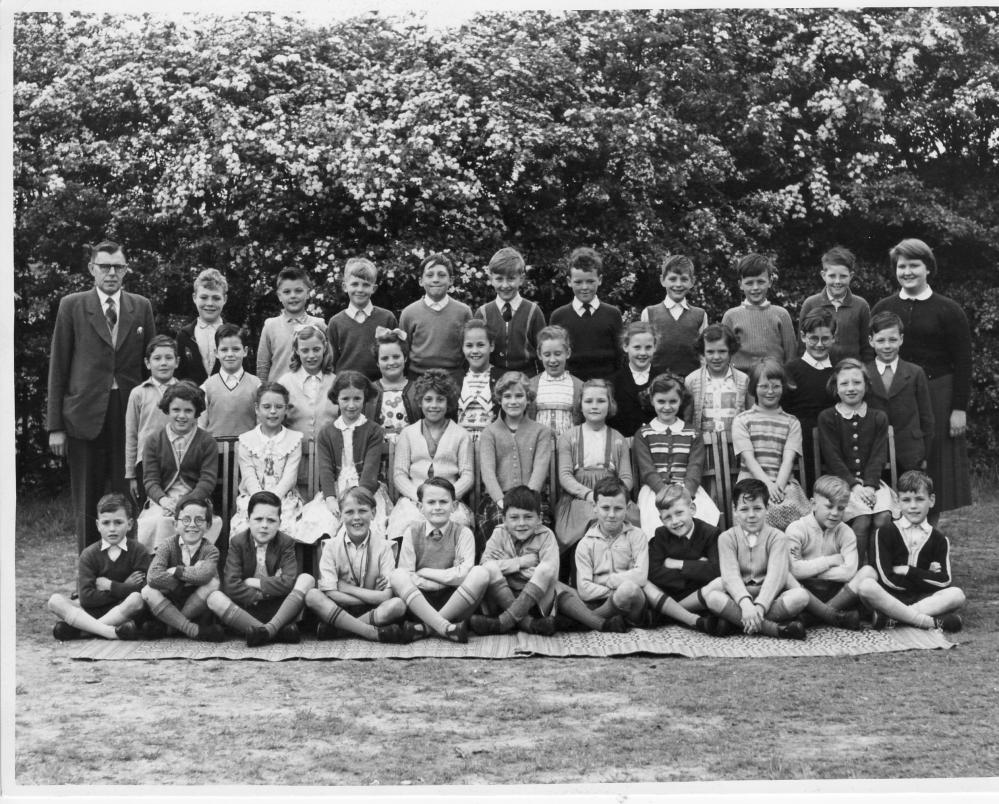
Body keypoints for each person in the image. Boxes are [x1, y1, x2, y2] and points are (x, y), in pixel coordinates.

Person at [47, 240, 156, 552]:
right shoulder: (72, 305)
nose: (111, 273)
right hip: (83, 414)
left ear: (126, 270)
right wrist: (56, 425)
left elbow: (153, 364)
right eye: (105, 266)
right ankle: (88, 572)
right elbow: (59, 366)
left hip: (129, 414)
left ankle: (130, 568)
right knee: (87, 496)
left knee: (130, 493)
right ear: (92, 269)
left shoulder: (141, 306)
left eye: (118, 267)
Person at [871, 238, 972, 522]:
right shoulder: (884, 307)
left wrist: (959, 409)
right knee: (894, 460)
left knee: (932, 468)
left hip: (938, 394)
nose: (907, 271)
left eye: (914, 265)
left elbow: (963, 362)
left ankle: (927, 538)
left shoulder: (949, 309)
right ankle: (893, 536)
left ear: (928, 268)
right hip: (894, 395)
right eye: (901, 266)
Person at [844, 471, 964, 632]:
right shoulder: (885, 532)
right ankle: (929, 621)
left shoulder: (939, 540)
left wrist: (908, 570)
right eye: (906, 500)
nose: (913, 506)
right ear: (898, 503)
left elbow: (943, 580)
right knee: (866, 586)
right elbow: (886, 577)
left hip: (921, 598)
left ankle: (892, 618)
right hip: (888, 596)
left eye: (920, 499)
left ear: (932, 500)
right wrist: (925, 575)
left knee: (957, 595)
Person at [702, 478, 808, 639]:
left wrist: (759, 607)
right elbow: (730, 575)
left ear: (767, 508)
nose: (751, 515)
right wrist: (745, 604)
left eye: (757, 508)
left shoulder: (777, 537)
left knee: (801, 597)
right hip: (739, 595)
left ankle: (734, 622)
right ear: (735, 510)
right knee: (712, 597)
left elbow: (775, 576)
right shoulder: (726, 538)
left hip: (769, 594)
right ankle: (775, 628)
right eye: (744, 509)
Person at [304, 487, 413, 643]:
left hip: (372, 611)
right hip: (339, 607)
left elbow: (386, 596)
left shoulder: (383, 547)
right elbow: (330, 594)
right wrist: (373, 596)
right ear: (340, 516)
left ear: (373, 513)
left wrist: (347, 588)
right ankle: (369, 631)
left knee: (398, 605)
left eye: (362, 511)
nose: (356, 517)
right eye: (349, 512)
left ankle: (339, 630)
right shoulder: (331, 547)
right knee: (312, 596)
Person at [388, 478, 491, 643]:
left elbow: (463, 575)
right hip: (420, 602)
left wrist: (426, 572)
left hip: (455, 601)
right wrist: (440, 581)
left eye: (443, 502)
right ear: (420, 507)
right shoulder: (412, 532)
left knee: (481, 573)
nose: (437, 507)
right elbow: (407, 573)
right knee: (397, 575)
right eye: (431, 502)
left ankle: (426, 629)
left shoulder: (463, 533)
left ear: (454, 506)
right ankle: (445, 628)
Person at [207, 491, 316, 647]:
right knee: (214, 598)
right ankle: (276, 632)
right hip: (247, 608)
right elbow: (231, 586)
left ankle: (264, 632)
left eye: (271, 520)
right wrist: (263, 594)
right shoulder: (238, 542)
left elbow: (288, 582)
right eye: (258, 519)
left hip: (280, 609)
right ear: (248, 520)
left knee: (307, 579)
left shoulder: (286, 543)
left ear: (279, 523)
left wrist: (253, 582)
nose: (264, 525)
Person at [553, 379, 634, 581]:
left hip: (612, 494)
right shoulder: (569, 437)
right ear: (580, 404)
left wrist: (614, 497)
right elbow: (565, 476)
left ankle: (617, 577)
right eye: (589, 401)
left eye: (601, 400)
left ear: (610, 404)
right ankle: (580, 581)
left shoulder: (617, 439)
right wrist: (589, 494)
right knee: (589, 518)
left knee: (635, 519)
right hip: (578, 498)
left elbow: (626, 477)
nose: (595, 406)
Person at [817, 358, 894, 567]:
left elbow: (878, 455)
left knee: (883, 518)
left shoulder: (878, 417)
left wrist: (869, 485)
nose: (851, 388)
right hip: (842, 485)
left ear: (866, 385)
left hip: (873, 484)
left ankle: (880, 572)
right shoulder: (828, 417)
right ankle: (855, 573)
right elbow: (833, 458)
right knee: (861, 521)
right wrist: (854, 485)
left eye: (857, 382)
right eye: (844, 383)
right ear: (835, 387)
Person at [387, 370, 474, 544]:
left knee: (457, 522)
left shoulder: (461, 435)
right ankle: (405, 567)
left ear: (448, 402)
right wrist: (418, 497)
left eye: (440, 399)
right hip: (414, 500)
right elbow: (399, 474)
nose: (434, 405)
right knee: (406, 522)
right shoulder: (408, 433)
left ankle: (451, 568)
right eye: (428, 399)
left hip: (449, 500)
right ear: (420, 401)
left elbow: (467, 475)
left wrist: (447, 497)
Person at [47, 493, 148, 641]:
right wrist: (124, 587)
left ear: (130, 524)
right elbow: (87, 598)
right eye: (106, 523)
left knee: (136, 599)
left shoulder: (139, 551)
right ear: (98, 525)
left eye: (118, 522)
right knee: (55, 600)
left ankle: (83, 631)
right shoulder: (89, 554)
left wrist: (112, 586)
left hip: (121, 611)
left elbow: (144, 590)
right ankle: (110, 632)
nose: (112, 528)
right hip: (90, 611)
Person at [138, 381, 221, 550]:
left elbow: (207, 481)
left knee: (193, 520)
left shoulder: (207, 441)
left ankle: (192, 566)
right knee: (157, 521)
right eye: (176, 410)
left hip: (196, 498)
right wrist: (164, 501)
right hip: (163, 500)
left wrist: (185, 502)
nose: (182, 416)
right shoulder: (154, 440)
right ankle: (158, 564)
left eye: (188, 410)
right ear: (167, 409)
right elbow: (150, 481)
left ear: (197, 412)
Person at [634, 373, 719, 536]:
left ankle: (696, 558)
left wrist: (686, 493)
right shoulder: (643, 434)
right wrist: (664, 492)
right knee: (654, 519)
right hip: (656, 491)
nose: (667, 407)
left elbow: (695, 467)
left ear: (681, 400)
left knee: (701, 515)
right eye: (661, 401)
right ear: (652, 400)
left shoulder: (693, 433)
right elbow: (647, 471)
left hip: (687, 489)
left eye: (673, 401)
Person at [730, 358, 810, 531]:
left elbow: (788, 460)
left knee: (798, 519)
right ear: (754, 388)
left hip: (783, 483)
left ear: (783, 387)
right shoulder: (742, 420)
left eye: (776, 386)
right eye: (764, 386)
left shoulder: (791, 422)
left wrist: (778, 487)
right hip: (751, 482)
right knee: (757, 513)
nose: (770, 391)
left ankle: (792, 555)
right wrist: (768, 486)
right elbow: (749, 459)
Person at [470, 486, 560, 636]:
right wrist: (520, 563)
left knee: (545, 570)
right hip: (503, 598)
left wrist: (506, 566)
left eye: (528, 517)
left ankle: (502, 623)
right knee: (490, 568)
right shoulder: (499, 532)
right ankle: (528, 624)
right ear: (504, 519)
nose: (521, 523)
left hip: (536, 602)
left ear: (539, 518)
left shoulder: (546, 536)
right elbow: (485, 565)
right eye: (514, 518)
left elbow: (551, 574)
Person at [314, 371, 392, 543]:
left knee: (368, 523)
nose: (351, 405)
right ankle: (328, 568)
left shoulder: (373, 431)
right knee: (324, 524)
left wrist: (359, 500)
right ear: (337, 399)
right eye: (345, 399)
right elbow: (326, 469)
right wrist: (330, 498)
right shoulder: (327, 432)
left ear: (365, 399)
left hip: (365, 490)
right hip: (336, 490)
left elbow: (370, 471)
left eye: (357, 399)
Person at [478, 372, 552, 549]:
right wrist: (502, 502)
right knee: (497, 524)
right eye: (507, 396)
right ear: (499, 400)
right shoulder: (490, 432)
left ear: (528, 399)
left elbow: (540, 468)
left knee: (538, 525)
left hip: (533, 498)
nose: (513, 401)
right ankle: (499, 568)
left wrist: (528, 500)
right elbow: (488, 472)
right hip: (499, 498)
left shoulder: (541, 431)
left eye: (519, 396)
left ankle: (531, 568)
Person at [140, 496, 225, 641]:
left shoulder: (210, 550)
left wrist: (176, 571)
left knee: (213, 583)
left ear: (208, 525)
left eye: (199, 520)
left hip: (196, 602)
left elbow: (204, 576)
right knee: (147, 590)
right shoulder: (167, 545)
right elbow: (153, 577)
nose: (192, 525)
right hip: (171, 599)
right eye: (185, 520)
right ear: (175, 524)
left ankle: (171, 626)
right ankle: (192, 630)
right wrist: (188, 578)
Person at [784, 475, 862, 630]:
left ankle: (813, 617)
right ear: (813, 504)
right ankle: (832, 615)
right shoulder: (797, 529)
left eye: (841, 508)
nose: (835, 513)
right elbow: (795, 570)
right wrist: (831, 560)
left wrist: (810, 570)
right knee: (786, 576)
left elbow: (849, 572)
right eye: (829, 506)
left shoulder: (846, 532)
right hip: (805, 591)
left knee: (867, 572)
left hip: (835, 591)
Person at [643, 484, 722, 633]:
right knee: (644, 582)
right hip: (671, 593)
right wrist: (697, 568)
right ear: (661, 519)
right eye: (667, 517)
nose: (674, 521)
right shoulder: (661, 535)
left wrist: (677, 564)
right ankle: (682, 615)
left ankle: (666, 614)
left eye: (679, 513)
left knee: (721, 583)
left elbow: (716, 570)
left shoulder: (710, 533)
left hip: (698, 597)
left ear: (692, 509)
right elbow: (653, 572)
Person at [230, 382, 304, 539]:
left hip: (283, 499)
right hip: (252, 497)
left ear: (285, 409)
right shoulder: (246, 440)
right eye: (267, 406)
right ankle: (249, 563)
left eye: (278, 406)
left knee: (284, 527)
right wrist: (260, 501)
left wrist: (272, 500)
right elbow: (249, 475)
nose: (272, 411)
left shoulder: (294, 439)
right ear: (257, 409)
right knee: (243, 528)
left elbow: (289, 477)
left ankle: (281, 563)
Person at [571, 476, 648, 627]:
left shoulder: (637, 536)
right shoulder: (586, 543)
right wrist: (614, 592)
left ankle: (588, 621)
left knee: (629, 589)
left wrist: (609, 582)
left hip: (632, 603)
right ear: (594, 507)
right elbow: (584, 589)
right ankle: (607, 621)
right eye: (605, 508)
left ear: (627, 507)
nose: (612, 515)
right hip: (598, 603)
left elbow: (641, 577)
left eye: (618, 508)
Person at [864, 311, 934, 475]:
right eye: (880, 340)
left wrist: (925, 455)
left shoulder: (915, 373)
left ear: (901, 339)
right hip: (874, 452)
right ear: (871, 341)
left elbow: (927, 418)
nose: (887, 346)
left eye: (893, 340)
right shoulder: (863, 373)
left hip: (910, 452)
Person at [276, 324, 338, 498]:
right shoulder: (285, 382)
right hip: (296, 461)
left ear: (324, 348)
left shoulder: (335, 382)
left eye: (316, 349)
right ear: (296, 350)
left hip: (328, 460)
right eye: (305, 350)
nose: (311, 356)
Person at [783, 308, 837, 491]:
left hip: (833, 441)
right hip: (801, 444)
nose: (819, 344)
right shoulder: (791, 370)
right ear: (804, 337)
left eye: (825, 338)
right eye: (814, 338)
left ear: (834, 338)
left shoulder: (839, 370)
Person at [549, 247, 623, 380]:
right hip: (570, 387)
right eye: (578, 282)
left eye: (590, 281)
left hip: (605, 388)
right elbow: (553, 357)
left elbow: (620, 358)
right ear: (569, 281)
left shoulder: (613, 314)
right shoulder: (558, 316)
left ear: (599, 280)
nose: (584, 287)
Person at [398, 253, 473, 380]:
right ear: (421, 281)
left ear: (451, 280)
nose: (435, 279)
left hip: (453, 378)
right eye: (430, 275)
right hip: (417, 378)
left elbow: (469, 350)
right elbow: (402, 352)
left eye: (442, 275)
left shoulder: (464, 312)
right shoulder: (409, 313)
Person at [125, 335, 179, 508]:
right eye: (157, 358)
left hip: (178, 459)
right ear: (148, 363)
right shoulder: (138, 393)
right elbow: (131, 434)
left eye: (168, 358)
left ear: (177, 362)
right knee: (147, 509)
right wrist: (131, 474)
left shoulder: (185, 391)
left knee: (174, 507)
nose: (163, 363)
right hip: (146, 462)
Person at [473, 247, 546, 374]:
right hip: (492, 378)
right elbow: (476, 352)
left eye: (511, 278)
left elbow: (543, 351)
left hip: (527, 378)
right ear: (491, 279)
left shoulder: (533, 311)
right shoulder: (483, 313)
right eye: (499, 279)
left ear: (521, 279)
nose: (505, 285)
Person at [721, 253, 797, 373]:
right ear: (740, 284)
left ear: (770, 281)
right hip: (741, 380)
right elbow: (723, 354)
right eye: (749, 283)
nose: (755, 287)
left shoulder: (781, 314)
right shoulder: (731, 316)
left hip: (774, 379)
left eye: (760, 282)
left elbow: (791, 355)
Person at [327, 257, 398, 381]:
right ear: (345, 286)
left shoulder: (387, 318)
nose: (360, 289)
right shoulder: (335, 323)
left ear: (373, 289)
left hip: (380, 386)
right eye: (354, 284)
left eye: (365, 285)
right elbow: (331, 363)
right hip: (347, 387)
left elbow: (396, 354)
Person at [797, 246, 873, 363]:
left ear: (851, 276)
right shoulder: (811, 304)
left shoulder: (861, 306)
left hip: (850, 372)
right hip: (818, 371)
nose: (837, 281)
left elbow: (867, 348)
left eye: (843, 276)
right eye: (832, 276)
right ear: (823, 275)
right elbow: (802, 346)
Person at [640, 254, 707, 378]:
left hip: (690, 382)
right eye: (673, 279)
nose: (678, 284)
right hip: (658, 383)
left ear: (692, 282)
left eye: (684, 279)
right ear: (662, 280)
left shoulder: (700, 315)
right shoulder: (649, 313)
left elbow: (704, 354)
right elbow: (643, 351)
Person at [256, 267, 326, 382]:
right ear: (279, 296)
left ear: (307, 293)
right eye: (287, 292)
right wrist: (263, 393)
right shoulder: (270, 326)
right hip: (278, 394)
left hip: (311, 393)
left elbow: (328, 360)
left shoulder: (318, 325)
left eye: (298, 291)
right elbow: (263, 366)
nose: (293, 296)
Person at [684, 323, 750, 438]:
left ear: (731, 350)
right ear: (702, 352)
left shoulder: (743, 380)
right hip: (703, 447)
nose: (716, 357)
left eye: (722, 351)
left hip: (736, 444)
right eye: (710, 352)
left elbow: (750, 416)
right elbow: (687, 419)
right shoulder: (692, 380)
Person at [199, 323, 261, 438]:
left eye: (236, 349)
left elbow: (261, 425)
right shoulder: (206, 388)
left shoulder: (256, 385)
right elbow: (200, 426)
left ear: (245, 351)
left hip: (247, 452)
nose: (230, 354)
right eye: (224, 350)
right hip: (215, 452)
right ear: (216, 353)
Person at [175, 268, 231, 383]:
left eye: (216, 298)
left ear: (224, 299)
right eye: (204, 297)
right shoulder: (184, 336)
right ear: (194, 297)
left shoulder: (234, 335)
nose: (209, 303)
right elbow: (178, 376)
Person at [527, 325, 583, 438]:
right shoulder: (530, 385)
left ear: (568, 353)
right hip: (540, 448)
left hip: (569, 448)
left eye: (558, 354)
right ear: (539, 355)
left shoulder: (579, 386)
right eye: (547, 355)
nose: (552, 360)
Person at [366, 326, 420, 442]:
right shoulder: (369, 391)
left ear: (405, 358)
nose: (391, 362)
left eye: (396, 357)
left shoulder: (418, 389)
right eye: (385, 358)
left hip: (411, 452)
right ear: (377, 362)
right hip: (378, 454)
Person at [455, 318, 503, 442]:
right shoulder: (455, 380)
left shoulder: (503, 379)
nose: (475, 351)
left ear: (491, 346)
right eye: (469, 345)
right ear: (462, 347)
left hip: (492, 447)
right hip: (462, 448)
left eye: (481, 345)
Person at [606, 321, 656, 438]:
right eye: (637, 347)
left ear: (655, 347)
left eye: (648, 347)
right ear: (625, 346)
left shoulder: (664, 381)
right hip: (623, 448)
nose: (643, 353)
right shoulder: (612, 383)